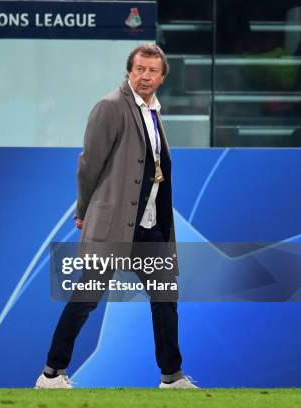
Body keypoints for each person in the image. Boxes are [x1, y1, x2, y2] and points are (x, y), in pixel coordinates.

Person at [35, 44, 198, 389]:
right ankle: (51, 373)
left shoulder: (154, 110)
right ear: (128, 71)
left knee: (165, 299)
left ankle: (172, 376)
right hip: (114, 225)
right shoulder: (110, 107)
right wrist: (84, 211)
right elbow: (88, 165)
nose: (145, 76)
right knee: (87, 298)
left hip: (152, 226)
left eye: (153, 71)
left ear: (162, 77)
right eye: (139, 69)